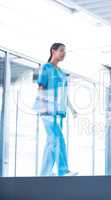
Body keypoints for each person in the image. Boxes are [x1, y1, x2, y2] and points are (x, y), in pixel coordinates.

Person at [34, 43, 78, 176]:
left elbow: (64, 93)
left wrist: (72, 109)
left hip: (59, 113)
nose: (64, 54)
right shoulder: (46, 67)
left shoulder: (61, 72)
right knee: (58, 139)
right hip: (47, 111)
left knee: (51, 143)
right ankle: (63, 170)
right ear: (53, 51)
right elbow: (41, 87)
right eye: (61, 51)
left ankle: (44, 173)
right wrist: (43, 106)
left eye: (65, 51)